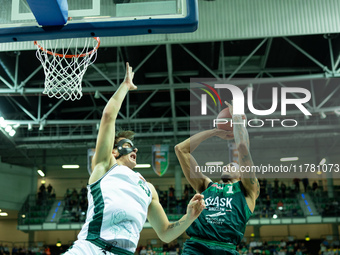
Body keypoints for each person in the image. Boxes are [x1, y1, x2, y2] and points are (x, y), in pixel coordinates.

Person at [63, 63, 205, 255]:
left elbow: (165, 233)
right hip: (91, 248)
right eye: (127, 144)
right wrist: (125, 86)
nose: (135, 148)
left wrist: (189, 218)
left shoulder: (148, 189)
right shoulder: (105, 166)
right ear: (114, 151)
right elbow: (108, 116)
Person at [175, 100, 260, 255]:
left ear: (242, 173)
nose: (227, 165)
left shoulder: (248, 190)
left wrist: (237, 120)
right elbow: (180, 149)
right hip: (196, 247)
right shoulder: (206, 186)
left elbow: (242, 147)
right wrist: (214, 132)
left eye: (233, 164)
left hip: (226, 249)